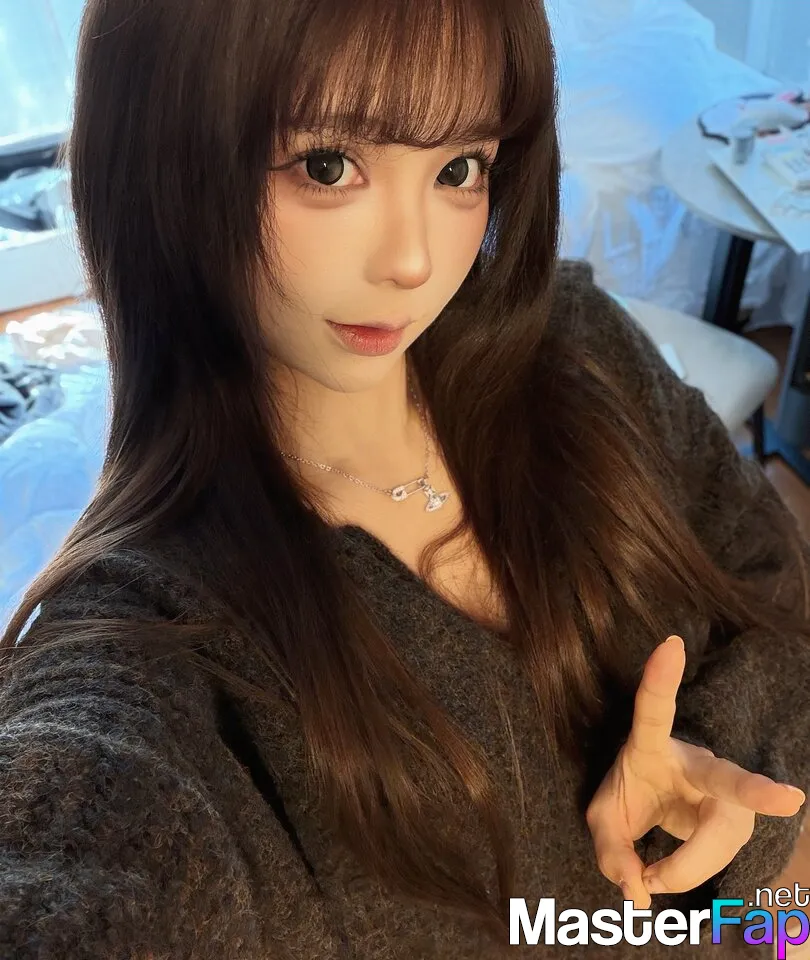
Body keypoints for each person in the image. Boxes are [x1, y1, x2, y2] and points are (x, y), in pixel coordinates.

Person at [0, 0, 808, 957]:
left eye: (459, 168)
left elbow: (772, 591)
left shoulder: (577, 349)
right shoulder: (154, 647)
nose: (414, 262)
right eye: (327, 166)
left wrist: (754, 870)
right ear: (161, 162)